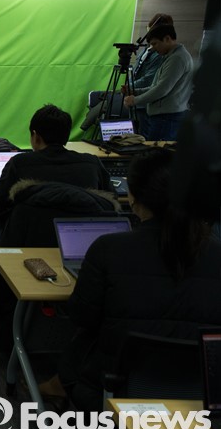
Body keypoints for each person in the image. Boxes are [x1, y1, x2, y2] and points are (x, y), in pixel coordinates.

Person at [47, 149, 221, 413]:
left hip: (113, 395)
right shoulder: (215, 251)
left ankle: (55, 386)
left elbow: (82, 317)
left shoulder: (108, 249)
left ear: (132, 196)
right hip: (202, 398)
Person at [0, 104, 113, 245]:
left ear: (35, 136)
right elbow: (110, 203)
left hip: (28, 243)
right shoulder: (92, 163)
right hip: (83, 245)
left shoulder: (19, 163)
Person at [123, 24, 193, 141]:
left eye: (155, 43)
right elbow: (156, 86)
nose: (153, 48)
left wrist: (134, 100)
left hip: (167, 119)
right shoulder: (172, 57)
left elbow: (161, 89)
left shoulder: (177, 59)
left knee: (157, 151)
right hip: (166, 118)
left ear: (167, 38)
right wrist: (135, 91)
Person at [123, 13, 174, 139]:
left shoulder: (161, 54)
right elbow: (136, 68)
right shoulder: (147, 48)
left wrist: (131, 88)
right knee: (134, 137)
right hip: (136, 98)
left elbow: (149, 80)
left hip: (145, 104)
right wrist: (129, 87)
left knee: (144, 138)